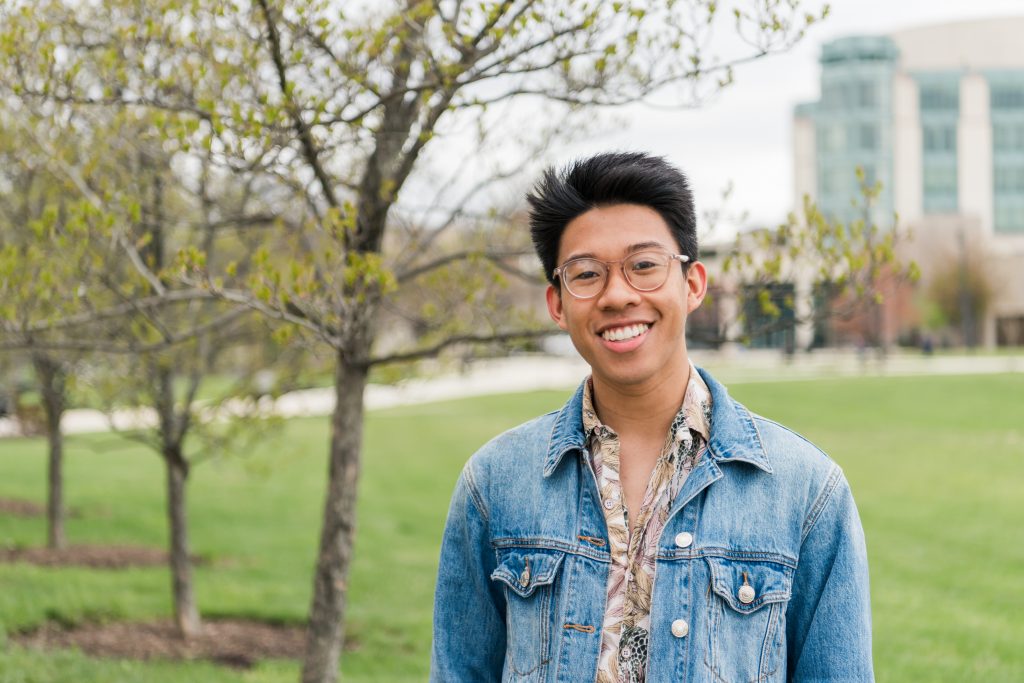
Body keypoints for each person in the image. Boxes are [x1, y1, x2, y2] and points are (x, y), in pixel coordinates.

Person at [431, 152, 873, 682]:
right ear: (556, 302)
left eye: (644, 265)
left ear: (692, 284)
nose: (618, 295)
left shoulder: (807, 491)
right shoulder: (495, 484)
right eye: (587, 274)